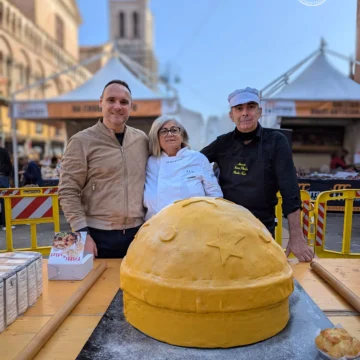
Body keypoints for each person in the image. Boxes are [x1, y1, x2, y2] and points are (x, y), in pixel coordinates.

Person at [201, 87, 314, 262]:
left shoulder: (276, 141)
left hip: (261, 228)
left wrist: (297, 236)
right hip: (224, 229)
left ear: (259, 112)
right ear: (231, 115)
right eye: (239, 108)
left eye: (251, 107)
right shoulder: (222, 143)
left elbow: (290, 189)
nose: (245, 113)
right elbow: (193, 163)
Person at [59, 80, 149, 258]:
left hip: (139, 234)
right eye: (111, 100)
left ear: (131, 106)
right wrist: (82, 234)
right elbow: (68, 191)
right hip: (96, 236)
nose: (117, 106)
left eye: (124, 102)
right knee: (96, 286)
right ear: (101, 102)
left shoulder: (142, 140)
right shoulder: (81, 141)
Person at [144, 116, 223, 220]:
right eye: (163, 131)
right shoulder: (150, 162)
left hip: (193, 224)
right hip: (157, 226)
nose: (170, 134)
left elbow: (215, 195)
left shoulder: (197, 158)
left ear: (182, 134)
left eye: (174, 130)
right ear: (156, 137)